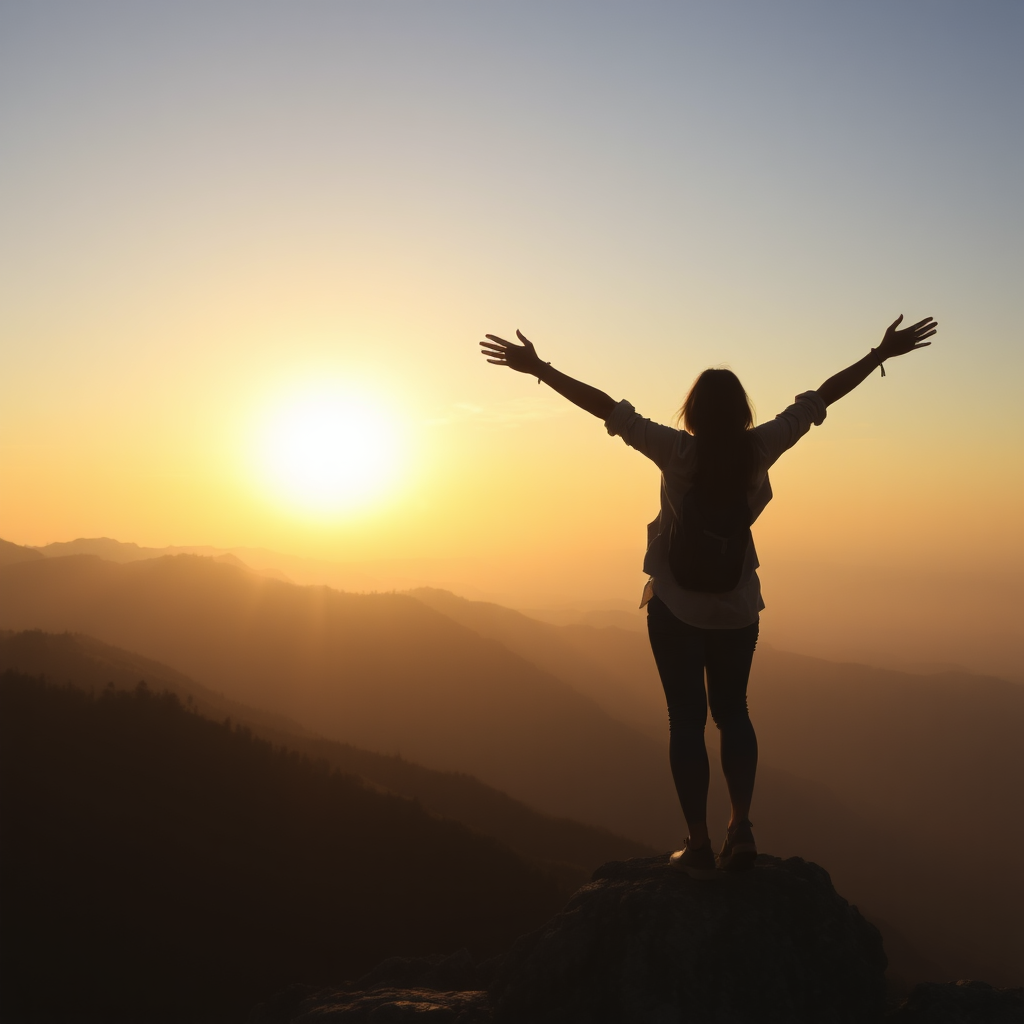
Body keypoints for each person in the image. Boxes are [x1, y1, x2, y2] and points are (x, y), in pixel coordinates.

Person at [479, 314, 937, 879]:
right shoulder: (761, 447)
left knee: (685, 722)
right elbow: (821, 400)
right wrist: (879, 353)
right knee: (735, 713)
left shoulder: (676, 452)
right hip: (738, 609)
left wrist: (539, 368)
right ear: (742, 412)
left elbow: (606, 408)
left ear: (692, 413)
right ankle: (739, 828)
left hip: (675, 608)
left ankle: (697, 842)